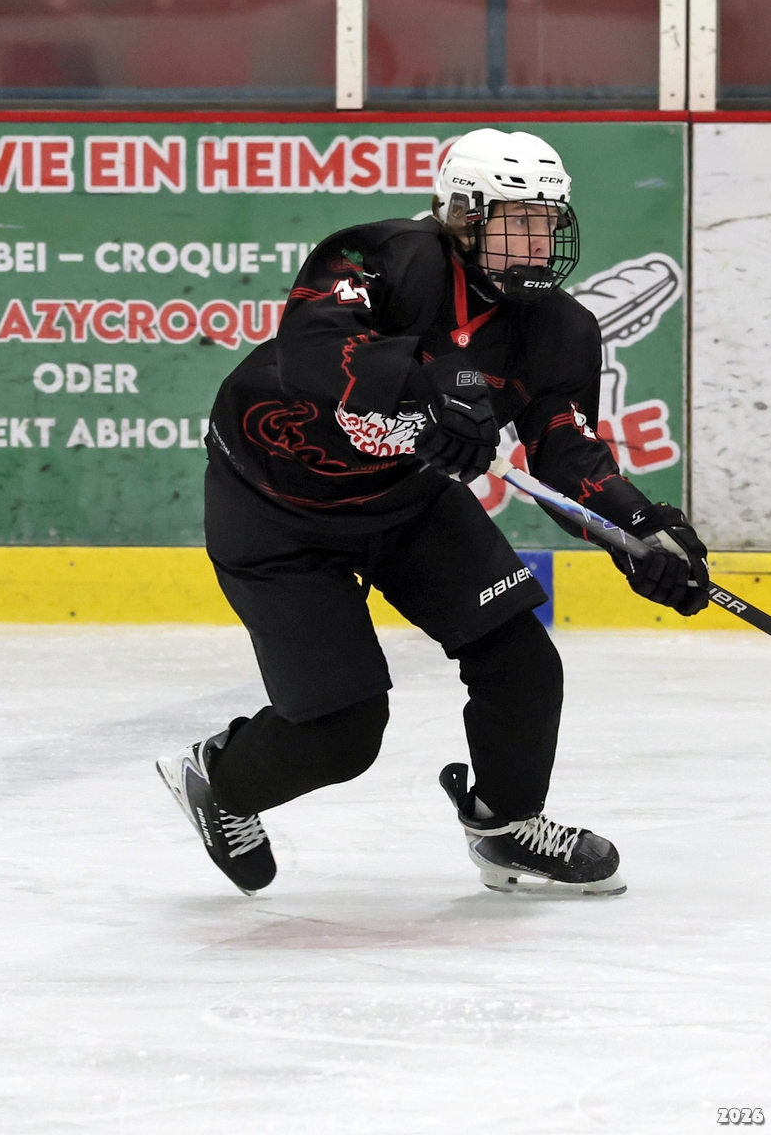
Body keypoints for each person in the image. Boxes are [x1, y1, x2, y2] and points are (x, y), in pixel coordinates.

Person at [156, 128, 710, 897]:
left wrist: (638, 530)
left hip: (407, 504)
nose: (539, 241)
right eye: (519, 220)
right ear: (462, 214)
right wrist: (428, 382)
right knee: (342, 734)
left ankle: (507, 826)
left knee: (521, 663)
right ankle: (219, 779)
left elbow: (566, 450)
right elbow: (312, 349)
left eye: (549, 221)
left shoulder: (558, 329)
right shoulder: (376, 258)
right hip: (276, 509)